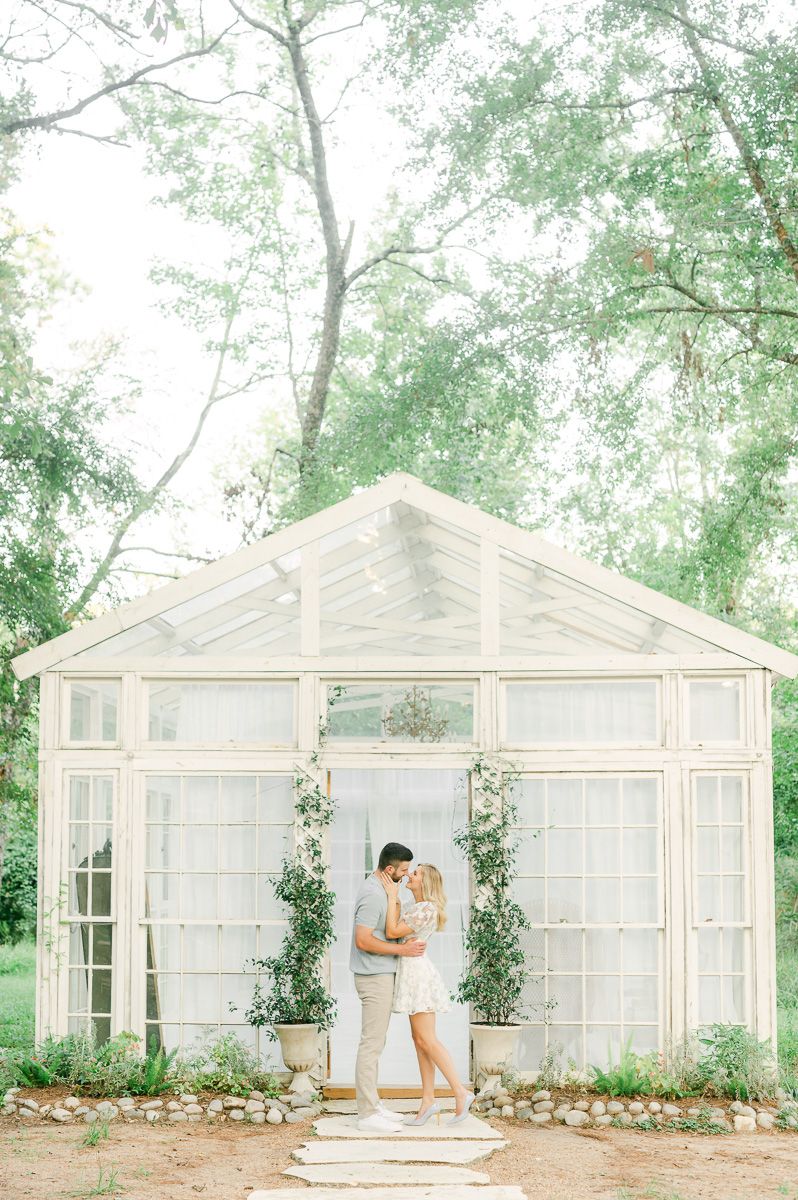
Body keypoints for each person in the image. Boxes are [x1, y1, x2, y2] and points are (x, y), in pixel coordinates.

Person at [378, 861, 475, 1126]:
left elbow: (391, 931)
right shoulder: (416, 907)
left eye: (416, 873)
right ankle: (428, 1100)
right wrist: (396, 902)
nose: (410, 874)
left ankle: (460, 1091)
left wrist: (391, 896)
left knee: (428, 1039)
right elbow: (396, 929)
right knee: (420, 1040)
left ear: (426, 882)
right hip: (411, 973)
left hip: (418, 975)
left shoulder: (426, 909)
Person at [350, 842, 427, 1133]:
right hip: (373, 976)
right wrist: (402, 951)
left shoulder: (384, 890)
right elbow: (363, 940)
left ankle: (374, 1105)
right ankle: (367, 1114)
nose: (407, 875)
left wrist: (400, 944)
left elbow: (388, 932)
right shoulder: (372, 894)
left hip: (381, 973)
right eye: (405, 870)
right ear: (390, 869)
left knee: (377, 1042)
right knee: (371, 1043)